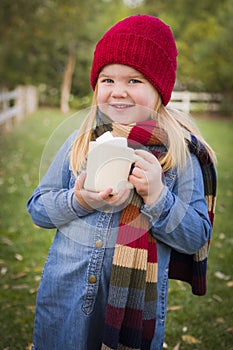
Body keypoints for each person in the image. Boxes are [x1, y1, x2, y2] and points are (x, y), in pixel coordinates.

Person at [27, 14, 217, 350]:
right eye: (107, 80)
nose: (118, 92)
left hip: (133, 309)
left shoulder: (179, 154)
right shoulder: (79, 140)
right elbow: (39, 209)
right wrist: (79, 201)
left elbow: (196, 237)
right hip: (65, 298)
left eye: (134, 81)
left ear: (159, 88)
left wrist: (158, 196)